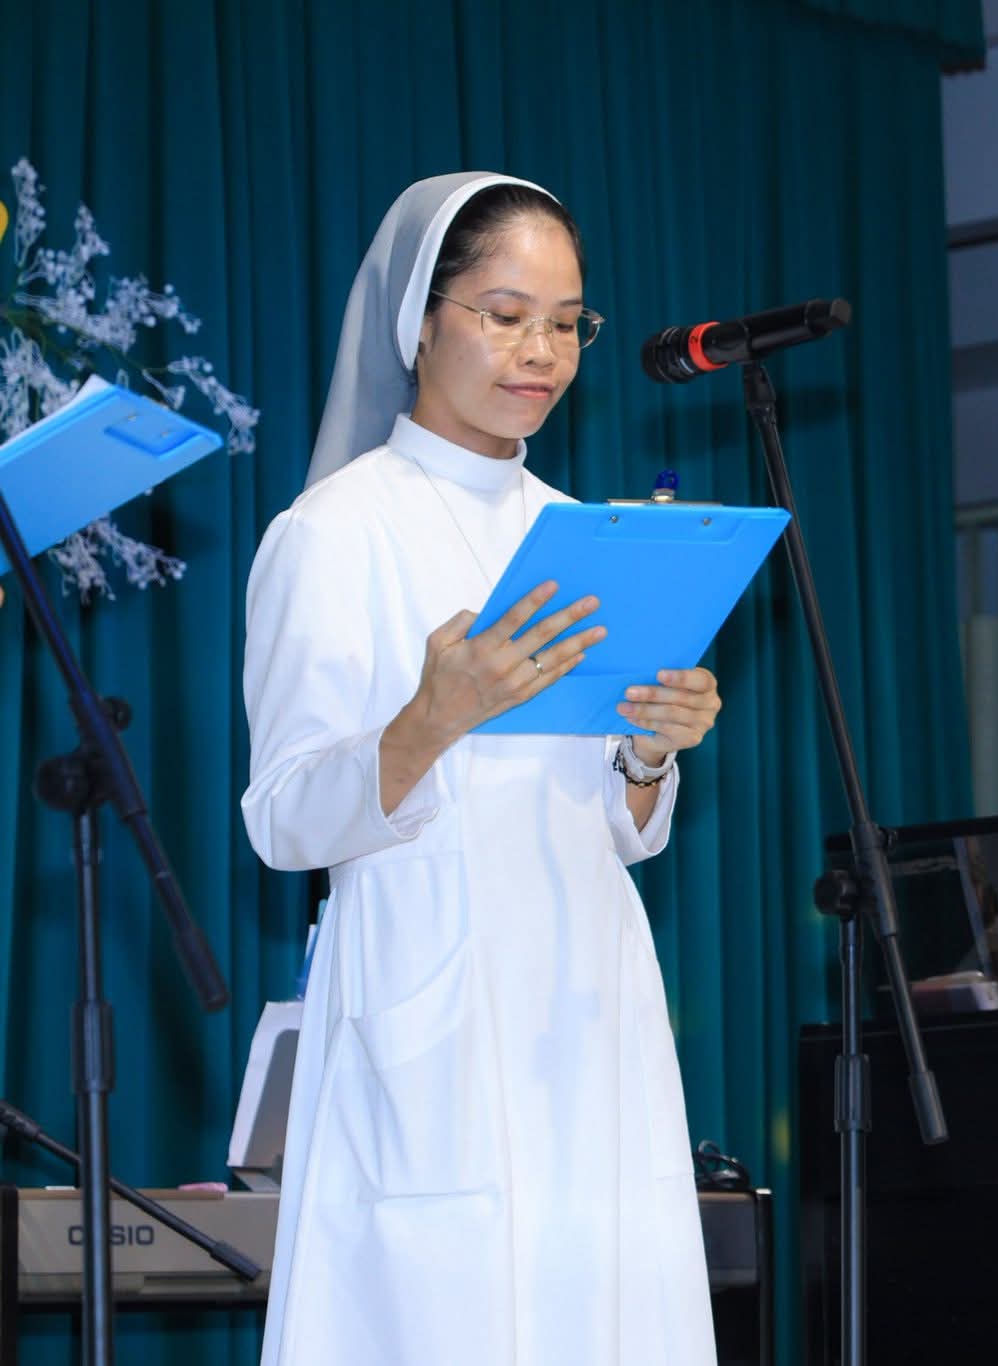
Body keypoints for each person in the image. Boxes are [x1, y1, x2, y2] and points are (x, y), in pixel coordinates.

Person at [242, 173, 722, 1365]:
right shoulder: (332, 532)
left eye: (565, 322)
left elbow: (610, 822)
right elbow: (282, 816)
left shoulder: (586, 532)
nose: (540, 352)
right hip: (431, 998)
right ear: (419, 322)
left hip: (587, 996)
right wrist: (432, 716)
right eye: (504, 316)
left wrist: (649, 749)